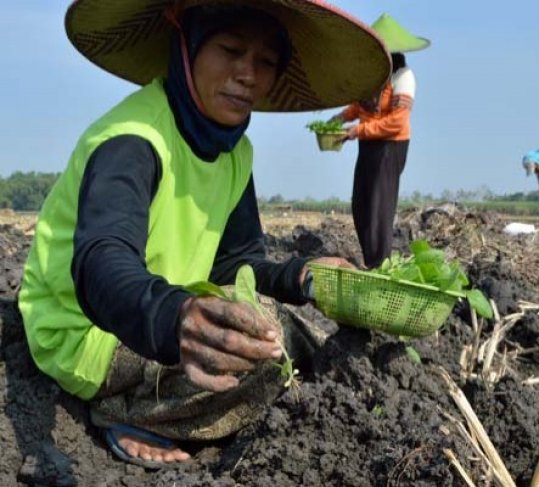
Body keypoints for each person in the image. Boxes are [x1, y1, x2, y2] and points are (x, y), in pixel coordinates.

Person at [19, 0, 390, 469]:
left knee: (296, 332)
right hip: (91, 330)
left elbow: (235, 264)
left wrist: (302, 276)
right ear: (186, 46)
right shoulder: (133, 140)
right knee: (263, 363)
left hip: (175, 310)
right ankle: (131, 412)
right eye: (230, 50)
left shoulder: (236, 153)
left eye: (265, 62)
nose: (247, 74)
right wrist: (175, 317)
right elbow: (101, 261)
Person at [329, 13, 430, 268]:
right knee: (361, 204)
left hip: (390, 146)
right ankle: (371, 260)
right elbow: (361, 105)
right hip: (369, 143)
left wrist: (356, 131)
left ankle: (379, 265)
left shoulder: (403, 77)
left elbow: (397, 122)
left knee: (378, 209)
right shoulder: (374, 76)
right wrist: (340, 118)